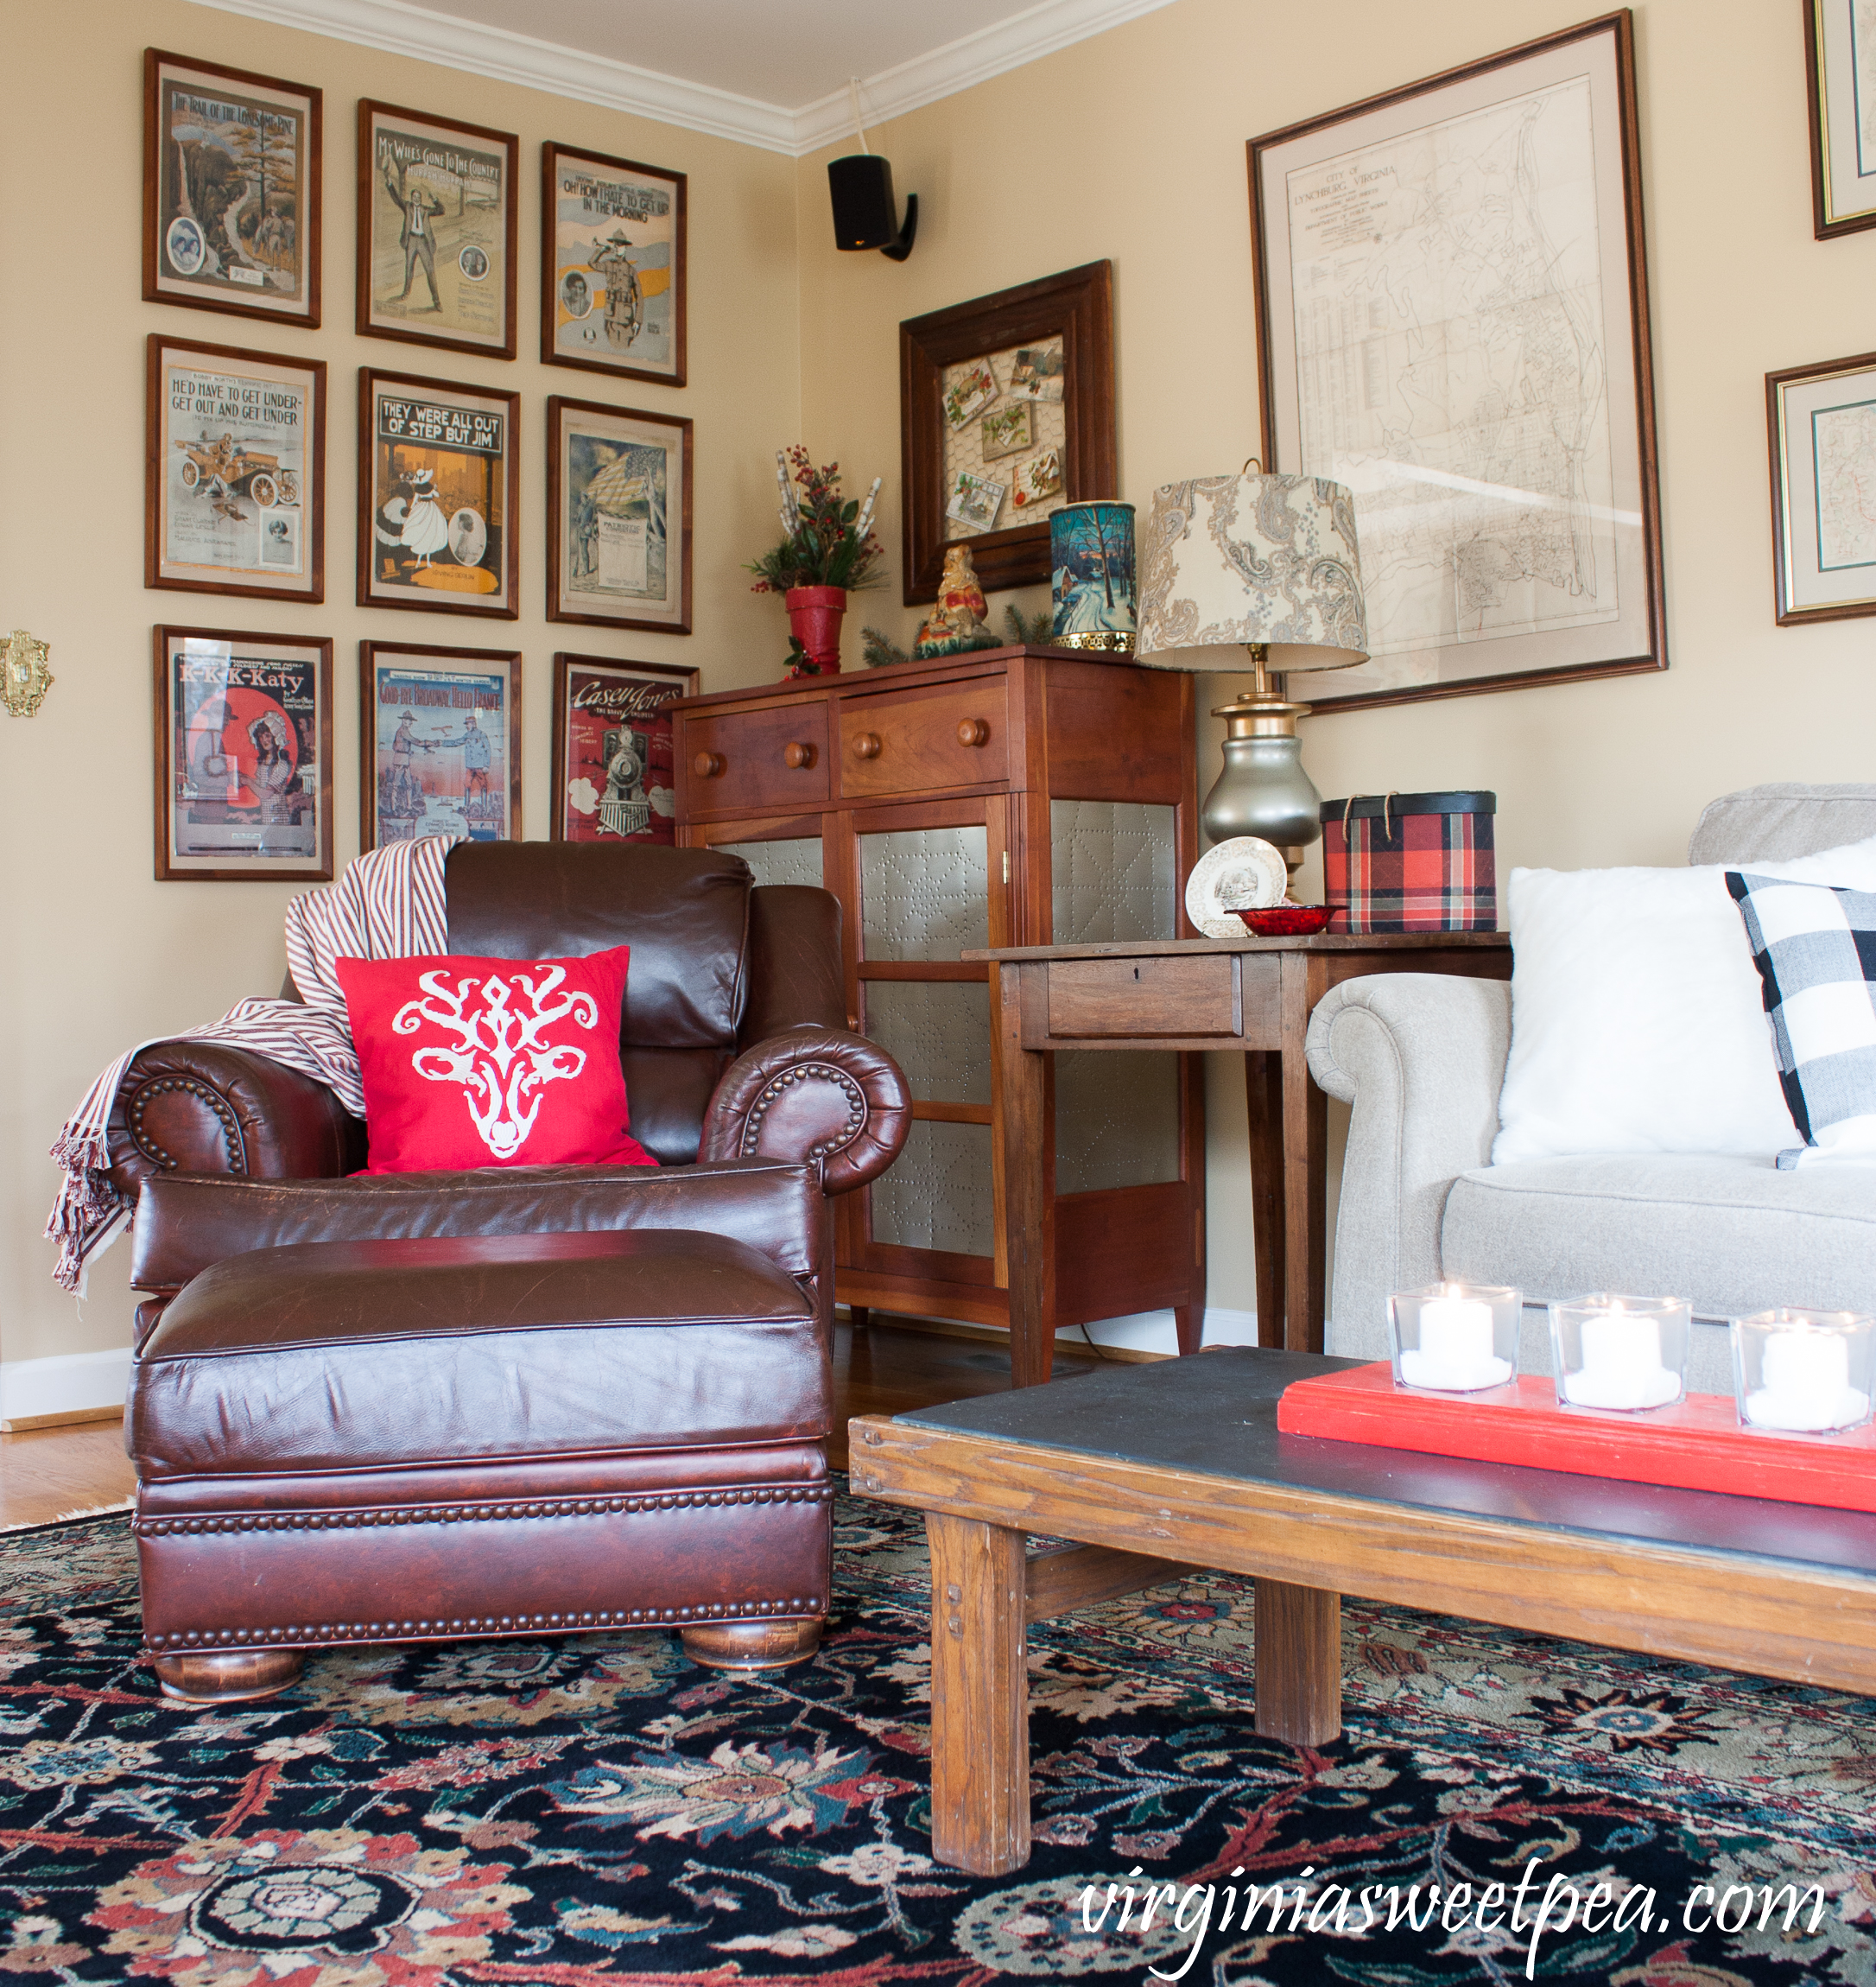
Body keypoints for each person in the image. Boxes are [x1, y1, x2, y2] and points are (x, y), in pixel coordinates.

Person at [386, 166, 446, 311]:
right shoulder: (407, 207)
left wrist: (435, 199)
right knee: (409, 268)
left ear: (421, 199)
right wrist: (389, 184)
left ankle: (437, 302)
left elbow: (441, 210)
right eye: (414, 197)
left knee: (430, 271)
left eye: (419, 197)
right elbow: (396, 199)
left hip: (424, 242)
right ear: (412, 199)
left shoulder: (426, 210)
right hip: (411, 241)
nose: (417, 199)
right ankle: (406, 293)